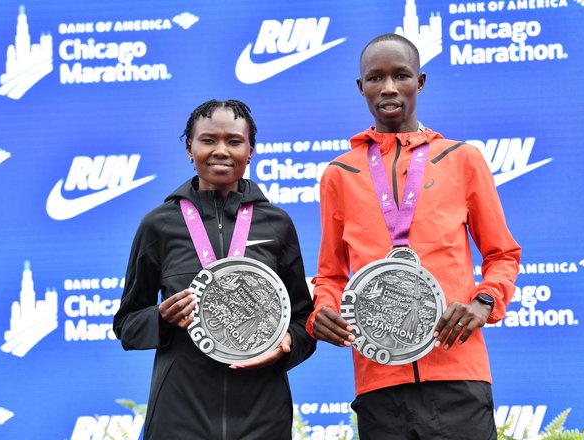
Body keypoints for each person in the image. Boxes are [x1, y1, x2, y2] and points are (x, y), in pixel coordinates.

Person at [307, 34, 521, 439]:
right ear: (361, 87)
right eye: (375, 78)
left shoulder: (461, 159)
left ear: (419, 82)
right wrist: (322, 312)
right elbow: (331, 274)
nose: (388, 88)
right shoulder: (340, 173)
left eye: (400, 75)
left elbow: (502, 253)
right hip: (379, 380)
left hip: (458, 370)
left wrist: (484, 301)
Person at [113, 99, 315, 439]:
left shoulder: (276, 224)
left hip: (263, 411)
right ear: (189, 149)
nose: (221, 150)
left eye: (234, 141)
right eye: (208, 140)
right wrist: (160, 319)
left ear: (250, 151)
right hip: (180, 413)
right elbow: (126, 323)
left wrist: (288, 342)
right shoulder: (159, 226)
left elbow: (303, 320)